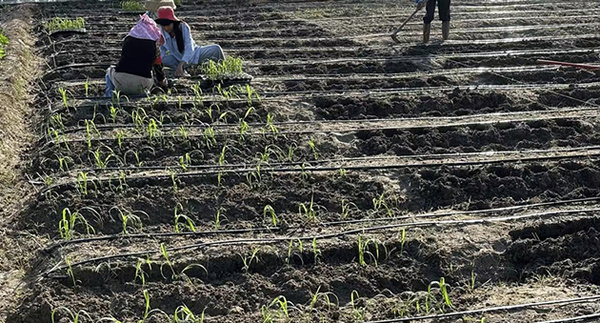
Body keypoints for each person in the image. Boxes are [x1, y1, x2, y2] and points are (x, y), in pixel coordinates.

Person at [105, 14, 167, 97]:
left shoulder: (128, 40)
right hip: (142, 85)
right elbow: (158, 68)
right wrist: (162, 82)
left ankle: (109, 95)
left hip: (121, 82)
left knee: (109, 70)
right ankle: (144, 94)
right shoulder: (154, 45)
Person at [154, 6, 225, 77]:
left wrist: (181, 64)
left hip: (195, 54)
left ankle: (222, 70)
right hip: (177, 58)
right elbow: (161, 51)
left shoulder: (183, 27)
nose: (166, 28)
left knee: (216, 49)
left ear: (173, 22)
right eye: (163, 25)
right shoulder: (161, 32)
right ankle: (181, 72)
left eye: (168, 25)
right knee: (162, 59)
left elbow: (189, 48)